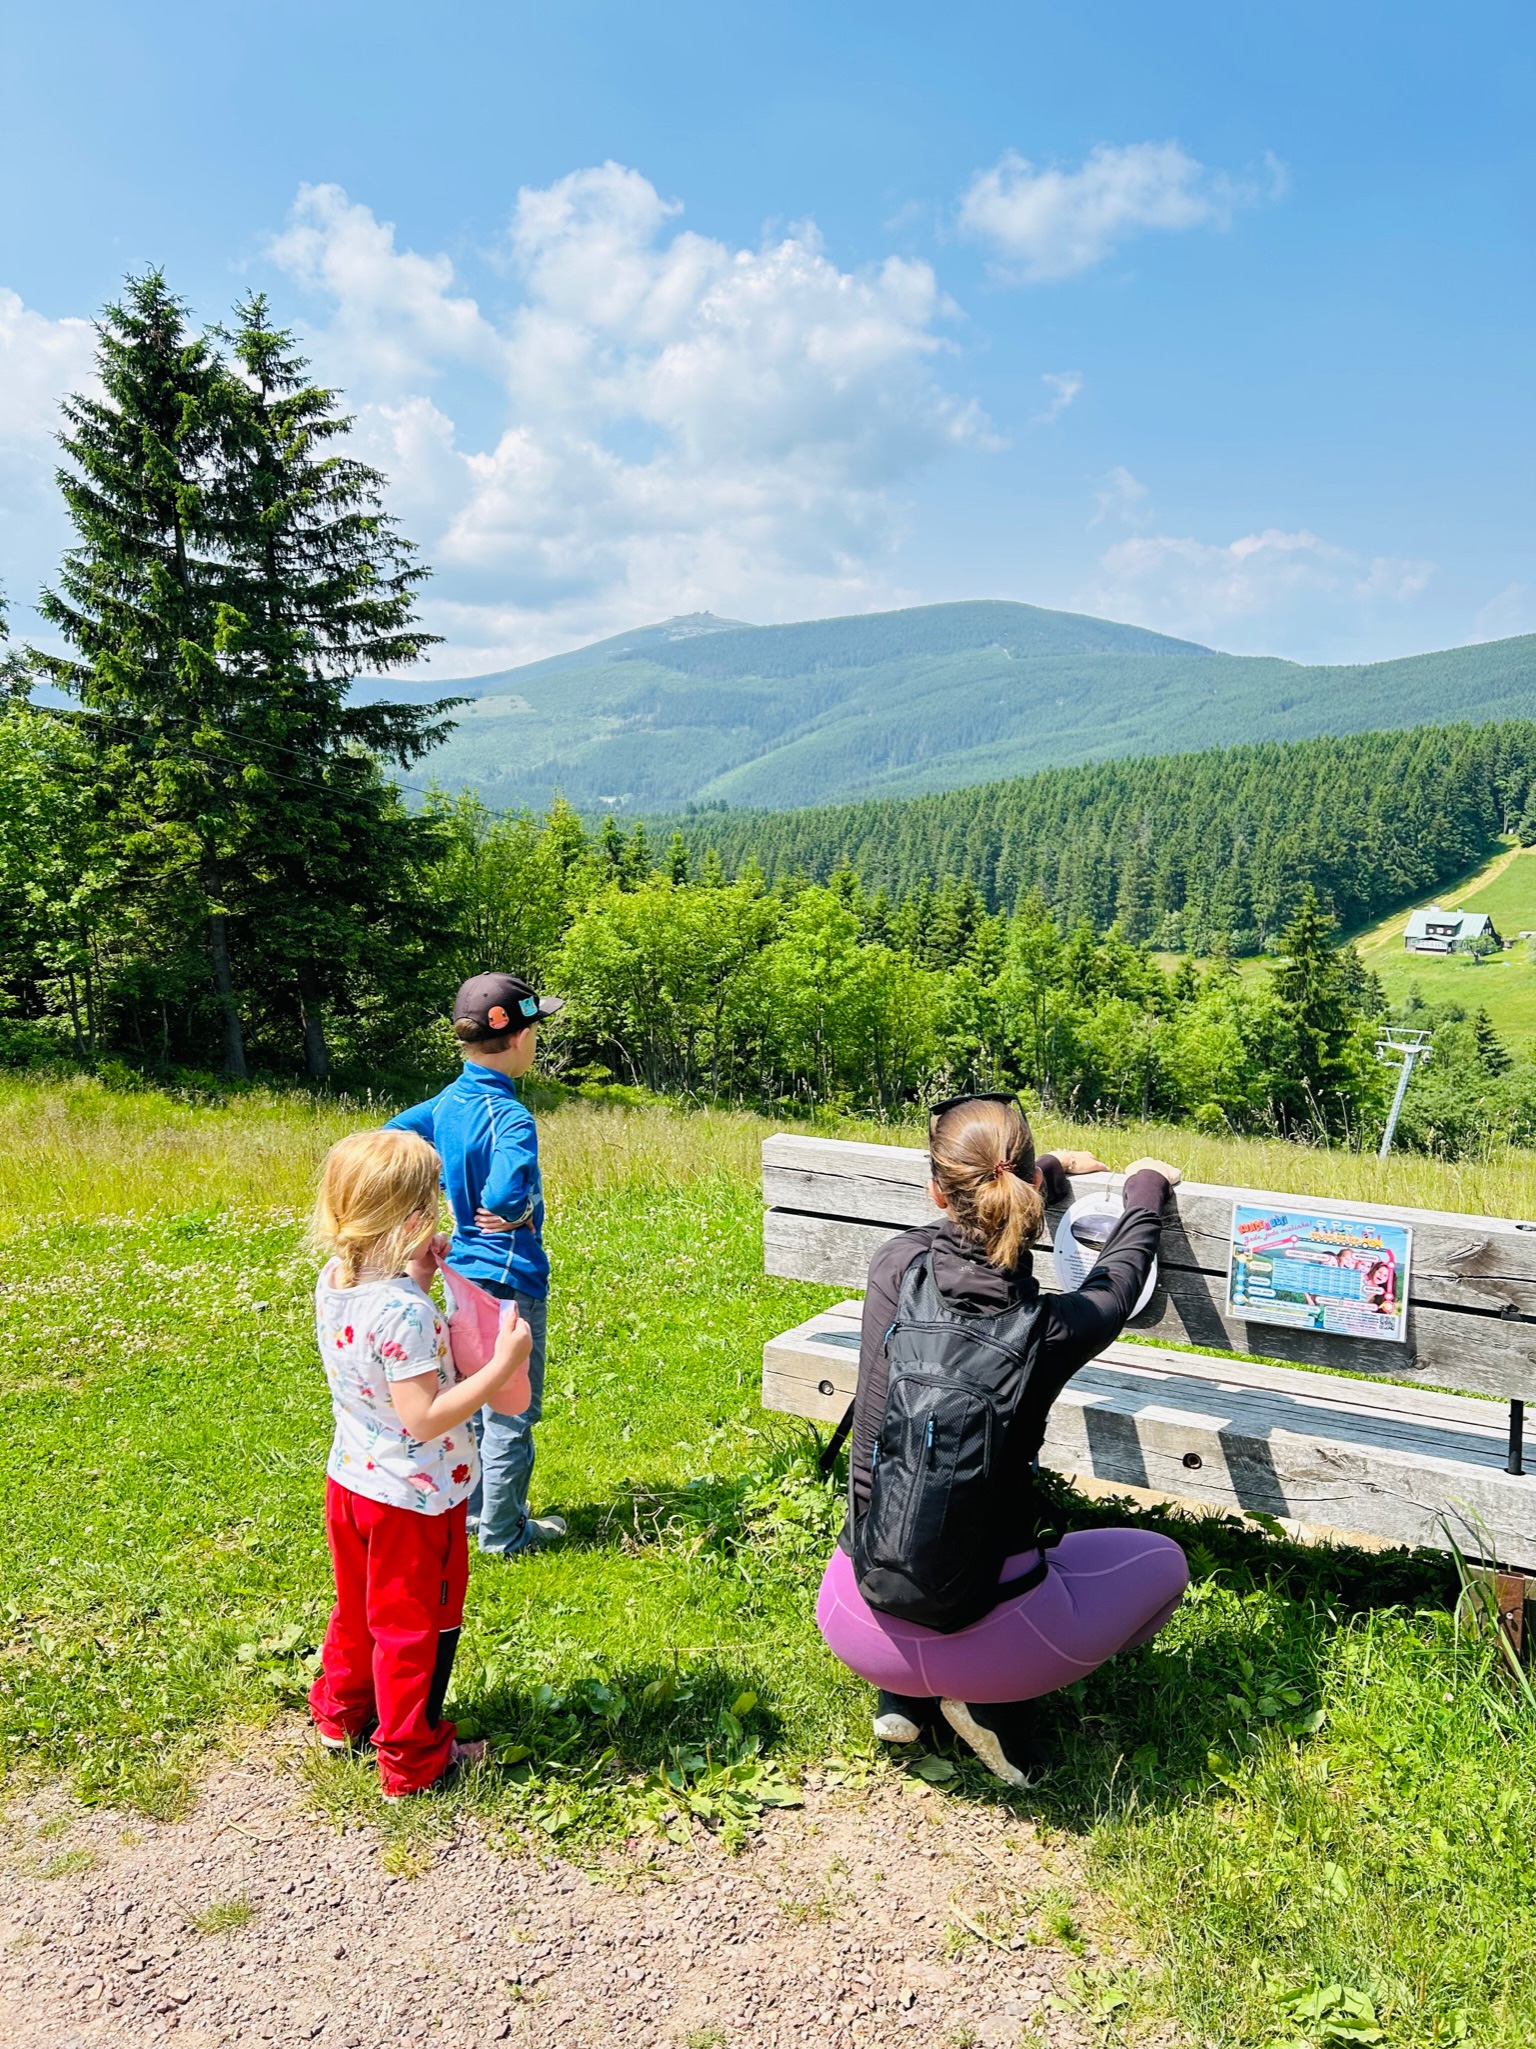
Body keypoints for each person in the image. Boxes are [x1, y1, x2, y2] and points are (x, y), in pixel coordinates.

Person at [815, 1093, 1190, 1787]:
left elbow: (949, 1230)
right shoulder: (1053, 1327)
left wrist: (1042, 1169)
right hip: (1000, 1643)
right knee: (1163, 1562)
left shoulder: (893, 1266)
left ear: (937, 1191)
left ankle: (904, 1694)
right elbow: (1121, 1275)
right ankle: (991, 1700)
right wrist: (1146, 1183)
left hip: (853, 1616)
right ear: (1031, 1187)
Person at [308, 1128, 533, 1798]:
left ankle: (341, 1715)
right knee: (414, 1629)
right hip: (414, 1499)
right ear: (410, 1218)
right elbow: (425, 1416)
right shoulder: (405, 1315)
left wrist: (423, 1276)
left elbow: (380, 1354)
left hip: (352, 1482)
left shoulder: (336, 1280)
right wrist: (501, 1367)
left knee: (358, 1610)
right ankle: (412, 1759)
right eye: (431, 1203)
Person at [387, 972, 567, 1557]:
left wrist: (442, 1190)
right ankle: (505, 1534)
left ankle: (472, 1515)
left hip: (462, 1271)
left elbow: (392, 1136)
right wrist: (512, 1209)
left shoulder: (450, 1100)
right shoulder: (511, 1116)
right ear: (519, 1037)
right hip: (511, 1276)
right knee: (511, 1408)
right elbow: (507, 1192)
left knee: (477, 1397)